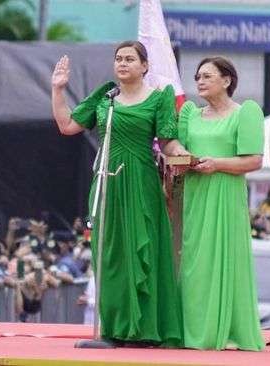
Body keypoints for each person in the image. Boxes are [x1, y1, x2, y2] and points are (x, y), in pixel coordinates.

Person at [51, 40, 186, 346]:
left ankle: (144, 330)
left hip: (140, 180)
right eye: (118, 59)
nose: (122, 64)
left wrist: (183, 152)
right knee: (109, 255)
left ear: (145, 66)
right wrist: (58, 89)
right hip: (106, 181)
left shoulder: (158, 98)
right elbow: (67, 125)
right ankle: (113, 329)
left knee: (144, 252)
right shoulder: (106, 97)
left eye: (129, 59)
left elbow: (168, 141)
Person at [176, 56, 265, 351]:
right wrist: (181, 160)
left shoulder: (245, 113)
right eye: (198, 76)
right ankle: (193, 331)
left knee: (226, 258)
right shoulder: (190, 114)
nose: (199, 81)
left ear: (226, 81)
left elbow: (254, 160)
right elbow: (179, 151)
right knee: (194, 262)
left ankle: (228, 330)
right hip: (195, 194)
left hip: (226, 193)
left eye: (207, 76)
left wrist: (217, 164)